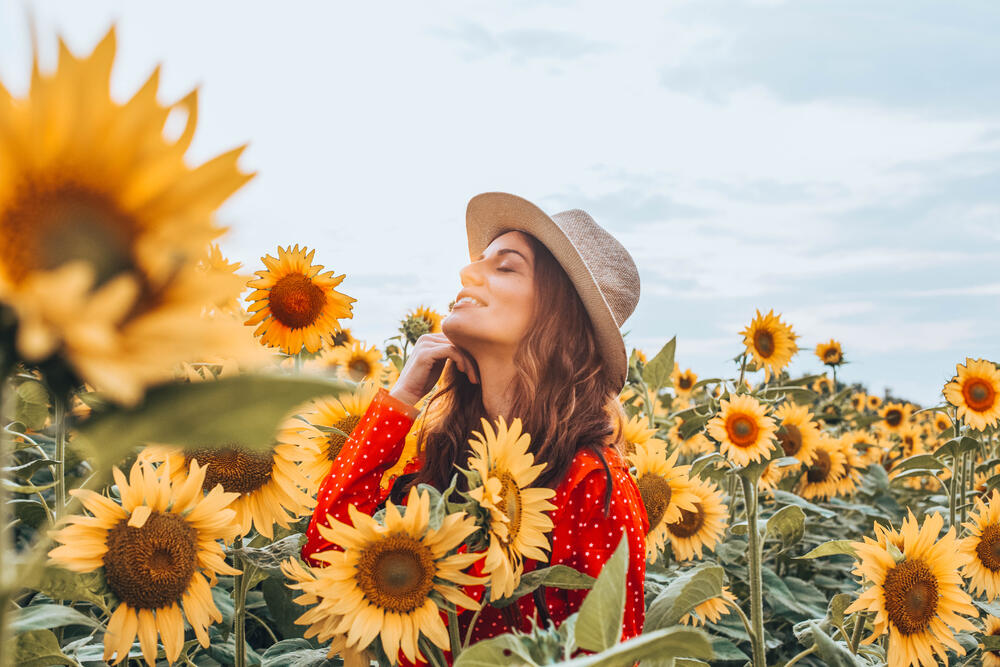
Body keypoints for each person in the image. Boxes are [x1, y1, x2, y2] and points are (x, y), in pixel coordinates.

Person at [301, 191, 648, 662]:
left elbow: (612, 655)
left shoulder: (591, 487)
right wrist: (401, 399)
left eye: (505, 267)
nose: (467, 273)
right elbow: (327, 555)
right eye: (478, 263)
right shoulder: (450, 456)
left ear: (559, 316)